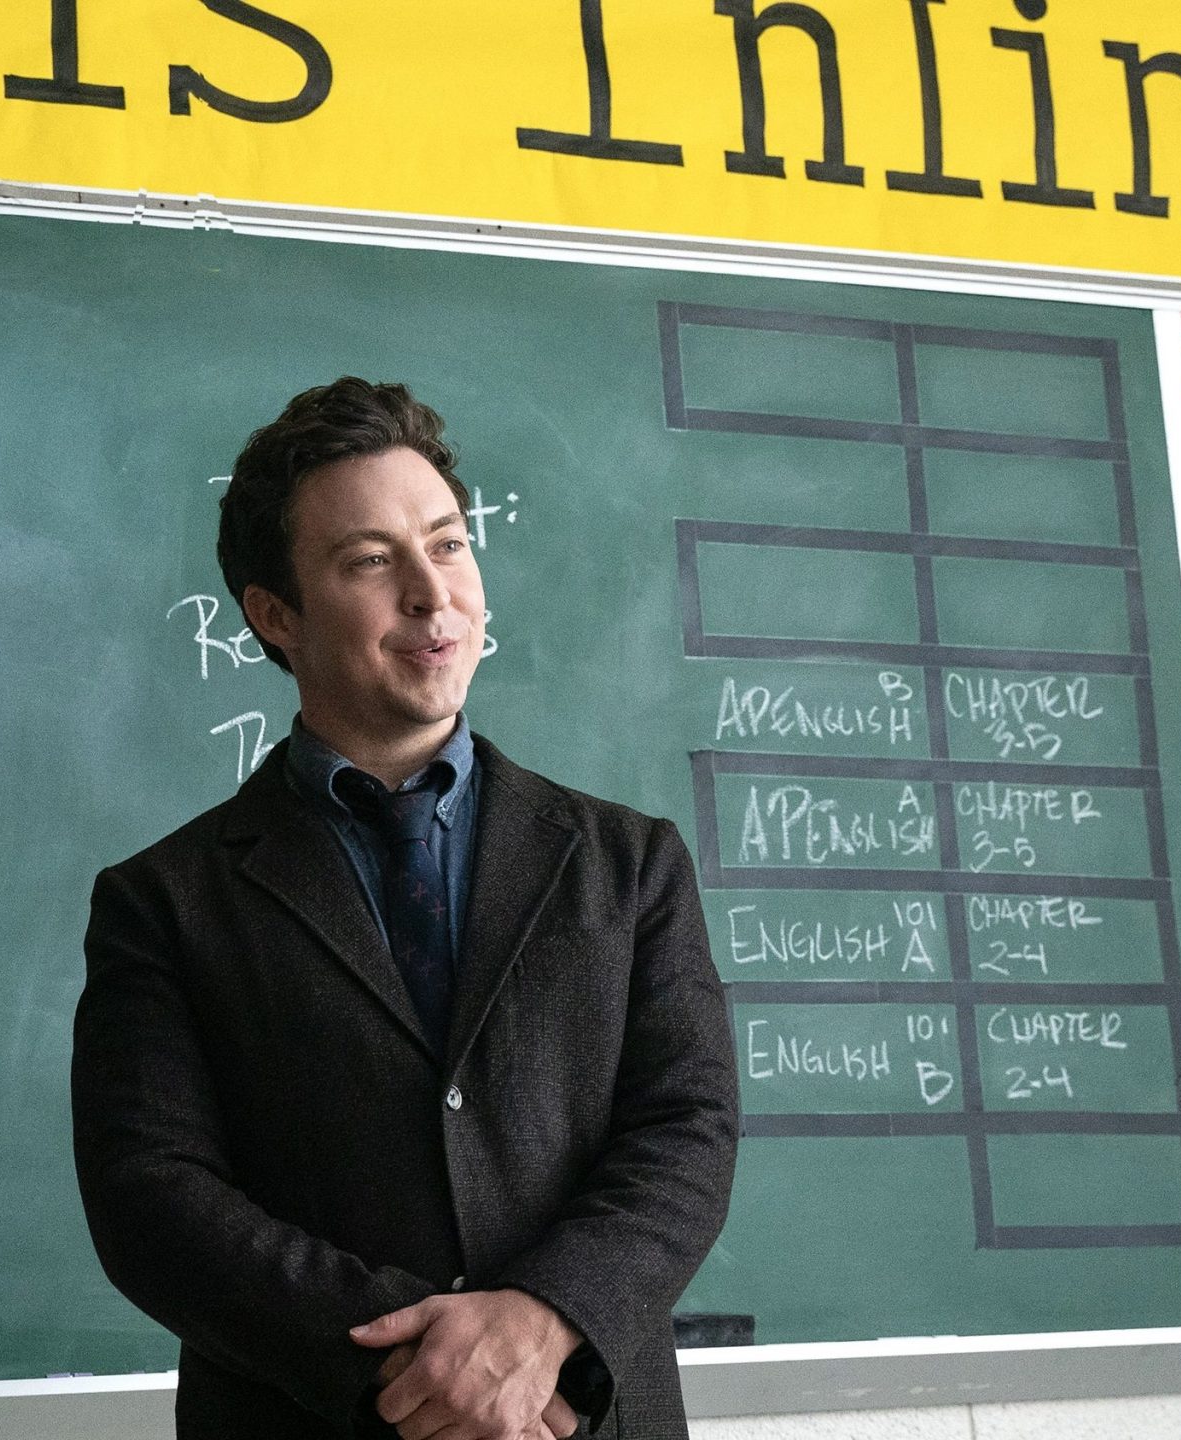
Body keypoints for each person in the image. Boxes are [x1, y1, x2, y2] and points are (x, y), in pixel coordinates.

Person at [74, 378, 738, 1439]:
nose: (432, 595)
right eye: (371, 562)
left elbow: (685, 1131)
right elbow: (151, 1199)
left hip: (578, 1414)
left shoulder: (627, 862)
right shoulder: (164, 901)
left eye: (448, 544)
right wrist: (429, 1371)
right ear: (275, 613)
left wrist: (538, 1324)